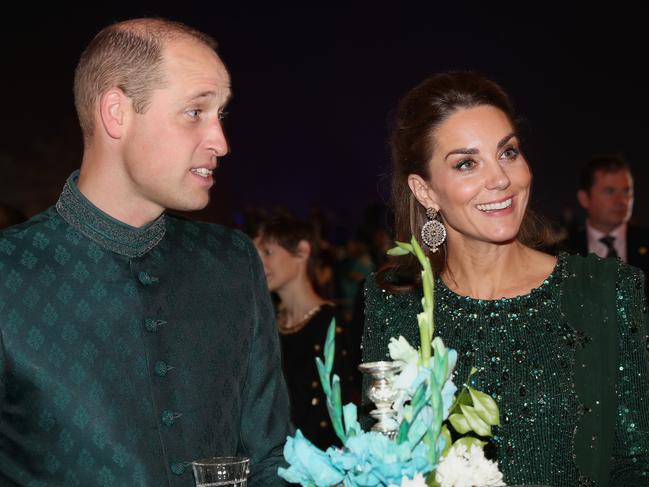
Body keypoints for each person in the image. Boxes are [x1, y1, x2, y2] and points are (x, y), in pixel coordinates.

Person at [0, 18, 290, 486]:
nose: (220, 141)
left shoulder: (232, 260)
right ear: (116, 113)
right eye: (196, 112)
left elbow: (270, 457)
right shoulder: (8, 272)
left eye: (221, 115)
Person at [361, 72, 649, 486]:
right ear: (425, 192)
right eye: (466, 163)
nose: (500, 179)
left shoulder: (604, 291)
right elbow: (387, 459)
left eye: (508, 153)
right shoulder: (398, 302)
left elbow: (637, 464)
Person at [254, 214, 356, 449]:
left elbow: (340, 406)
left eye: (267, 253)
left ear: (301, 251)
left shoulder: (332, 323)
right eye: (255, 255)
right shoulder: (265, 323)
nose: (259, 263)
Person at [564, 154, 649, 277]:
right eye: (610, 191)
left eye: (627, 191)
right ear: (584, 198)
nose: (622, 201)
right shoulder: (562, 252)